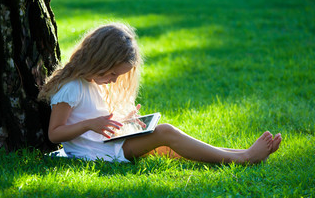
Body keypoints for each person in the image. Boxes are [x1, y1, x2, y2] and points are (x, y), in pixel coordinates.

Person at [38, 22, 282, 164]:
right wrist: (92, 124)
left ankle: (240, 154)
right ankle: (244, 158)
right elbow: (54, 134)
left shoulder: (90, 83)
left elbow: (94, 121)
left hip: (107, 147)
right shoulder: (71, 87)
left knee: (168, 146)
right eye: (113, 73)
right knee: (165, 132)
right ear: (99, 59)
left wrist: (125, 122)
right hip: (96, 153)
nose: (113, 80)